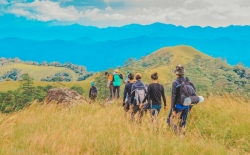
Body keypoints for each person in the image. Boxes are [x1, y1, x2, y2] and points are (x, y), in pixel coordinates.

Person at [167, 64, 196, 136]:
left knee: (169, 120)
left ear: (176, 73)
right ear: (183, 73)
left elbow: (173, 96)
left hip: (178, 106)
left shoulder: (175, 83)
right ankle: (182, 135)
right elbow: (192, 94)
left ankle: (177, 133)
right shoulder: (188, 81)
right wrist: (190, 107)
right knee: (183, 121)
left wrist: (173, 109)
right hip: (186, 105)